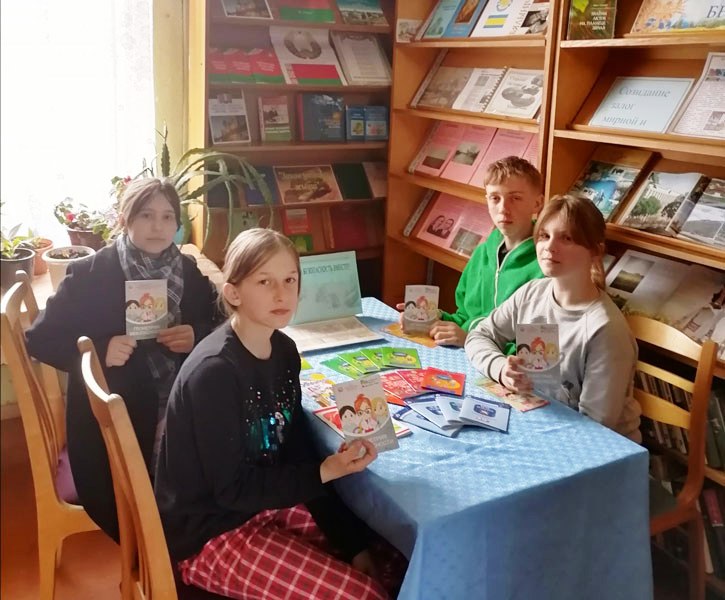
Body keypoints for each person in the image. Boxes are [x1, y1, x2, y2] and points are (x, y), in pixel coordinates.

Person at [154, 228, 392, 600]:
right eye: (264, 281)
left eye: (289, 280)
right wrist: (326, 470)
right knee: (363, 595)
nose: (281, 294)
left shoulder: (283, 351)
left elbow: (296, 448)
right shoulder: (215, 374)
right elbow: (231, 489)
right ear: (233, 293)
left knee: (389, 558)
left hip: (261, 506)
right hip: (210, 534)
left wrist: (353, 544)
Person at [25, 177, 222, 541]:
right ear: (125, 219)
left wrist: (196, 333)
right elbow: (40, 339)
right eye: (146, 215)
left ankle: (192, 531)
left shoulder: (187, 271)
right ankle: (163, 538)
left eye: (167, 217)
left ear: (177, 224)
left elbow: (221, 320)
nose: (157, 226)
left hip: (180, 402)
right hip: (115, 425)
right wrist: (98, 350)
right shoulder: (91, 274)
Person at [465, 194, 641, 441]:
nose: (549, 247)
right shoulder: (532, 293)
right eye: (544, 236)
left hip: (592, 446)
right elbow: (479, 336)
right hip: (535, 421)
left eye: (566, 238)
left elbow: (595, 429)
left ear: (595, 251)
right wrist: (500, 369)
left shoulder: (605, 329)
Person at [398, 156, 545, 347]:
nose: (503, 209)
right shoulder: (482, 252)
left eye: (515, 198)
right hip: (470, 353)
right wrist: (432, 319)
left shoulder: (545, 265)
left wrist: (471, 340)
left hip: (499, 363)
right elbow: (465, 318)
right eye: (495, 198)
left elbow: (534, 353)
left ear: (537, 203)